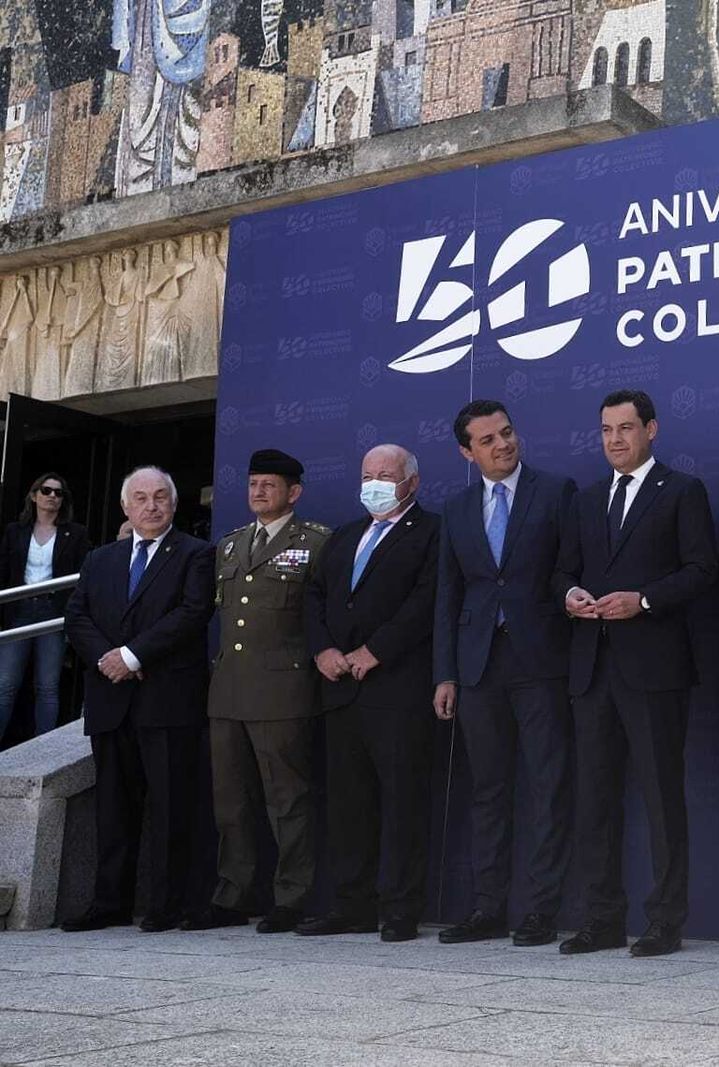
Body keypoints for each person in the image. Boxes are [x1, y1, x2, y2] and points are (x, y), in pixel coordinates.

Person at [556, 389, 717, 958]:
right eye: (606, 430)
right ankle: (600, 918)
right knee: (595, 800)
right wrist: (572, 594)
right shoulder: (586, 498)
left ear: (651, 429)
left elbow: (702, 570)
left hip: (654, 670)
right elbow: (564, 571)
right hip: (593, 667)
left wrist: (644, 601)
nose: (615, 440)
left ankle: (664, 921)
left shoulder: (681, 491)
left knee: (660, 798)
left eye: (626, 428)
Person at [433, 400, 577, 946]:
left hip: (540, 661)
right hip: (477, 667)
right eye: (488, 440)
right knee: (488, 792)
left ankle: (540, 910)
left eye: (507, 433)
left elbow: (566, 571)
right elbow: (449, 595)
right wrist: (445, 673)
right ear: (467, 452)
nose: (503, 444)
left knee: (547, 785)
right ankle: (486, 907)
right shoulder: (457, 508)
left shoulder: (555, 491)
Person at [60, 467, 214, 932]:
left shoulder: (196, 554)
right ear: (126, 507)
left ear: (173, 503)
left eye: (161, 497)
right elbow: (77, 615)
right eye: (141, 498)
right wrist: (109, 660)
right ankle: (109, 904)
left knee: (170, 808)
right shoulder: (101, 558)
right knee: (113, 810)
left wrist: (132, 655)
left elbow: (192, 613)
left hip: (166, 701)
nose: (152, 506)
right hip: (111, 701)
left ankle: (166, 905)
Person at [187, 449, 332, 934]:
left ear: (294, 492)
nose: (258, 492)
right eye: (253, 484)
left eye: (269, 484)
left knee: (287, 800)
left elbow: (321, 617)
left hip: (283, 691)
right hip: (228, 691)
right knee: (231, 801)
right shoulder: (229, 546)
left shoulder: (314, 543)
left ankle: (292, 897)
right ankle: (234, 894)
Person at [299, 445, 439, 943]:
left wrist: (375, 650)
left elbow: (427, 599)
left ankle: (400, 907)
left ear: (411, 482)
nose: (374, 483)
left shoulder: (431, 532)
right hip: (339, 691)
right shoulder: (344, 536)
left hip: (395, 689)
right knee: (348, 804)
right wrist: (323, 651)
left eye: (385, 475)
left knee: (402, 803)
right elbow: (313, 598)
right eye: (367, 475)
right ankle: (350, 905)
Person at [1, 473, 91, 743]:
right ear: (34, 495)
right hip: (18, 612)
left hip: (53, 611)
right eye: (46, 490)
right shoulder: (14, 531)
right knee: (5, 685)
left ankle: (43, 751)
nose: (52, 496)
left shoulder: (75, 533)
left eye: (58, 493)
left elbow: (82, 576)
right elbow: (4, 572)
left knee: (47, 686)